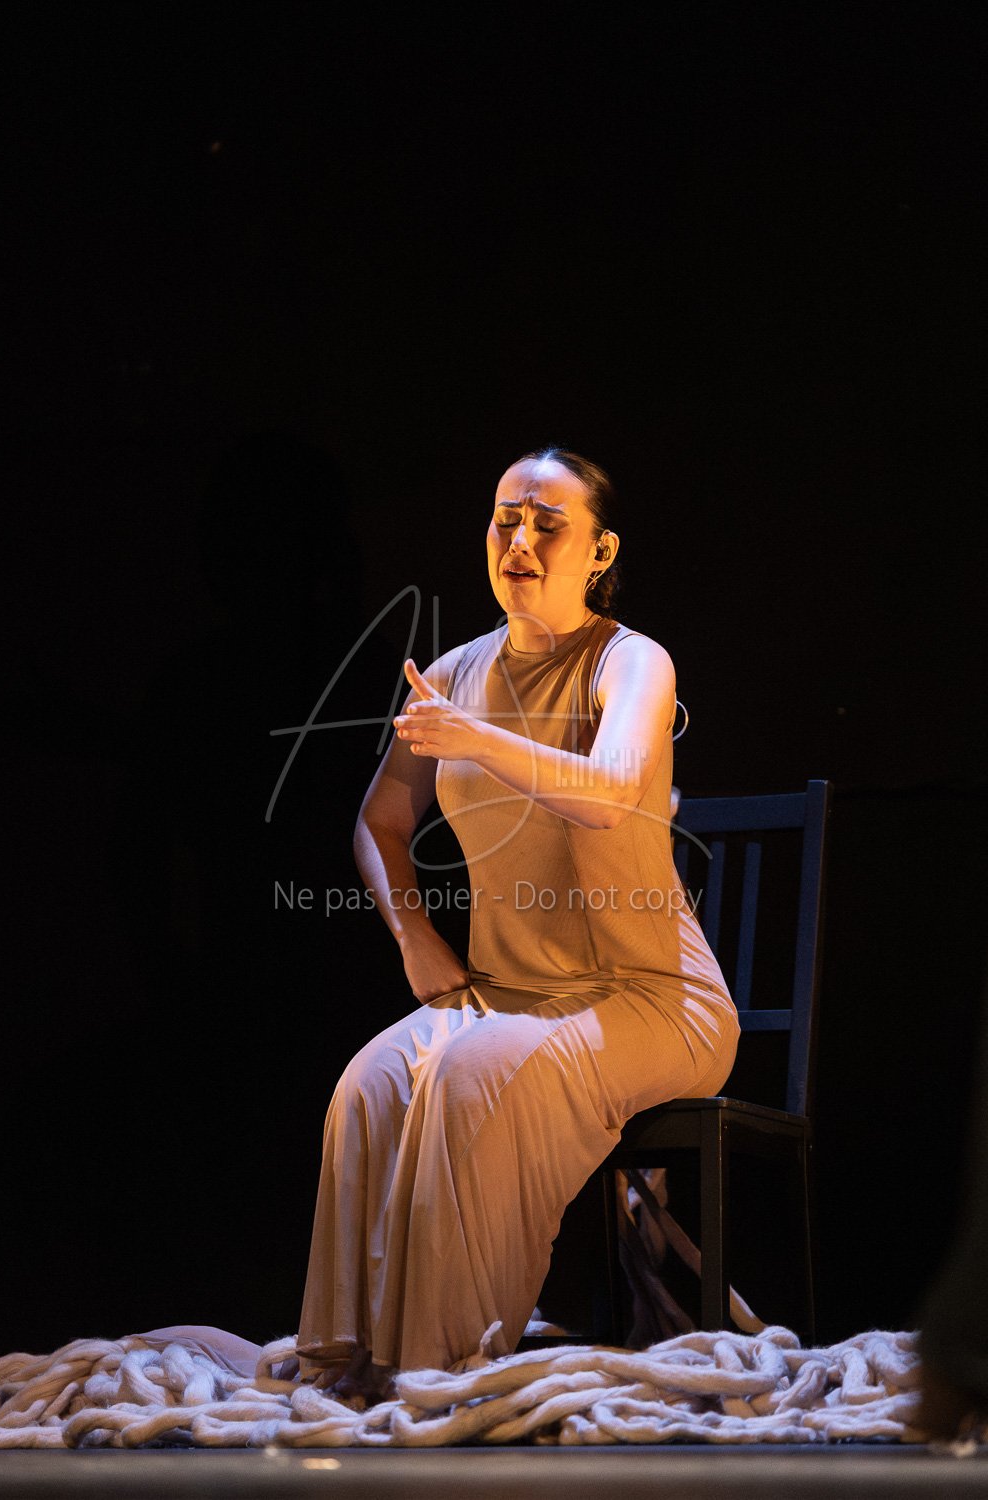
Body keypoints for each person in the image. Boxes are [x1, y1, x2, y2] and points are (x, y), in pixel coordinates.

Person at [294, 447, 741, 1403]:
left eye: (547, 524)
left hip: (651, 998)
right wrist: (414, 936)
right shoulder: (453, 673)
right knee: (368, 1087)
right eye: (506, 520)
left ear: (599, 551)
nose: (520, 542)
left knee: (466, 1082)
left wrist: (477, 739)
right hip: (503, 995)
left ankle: (446, 1370)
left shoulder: (631, 661)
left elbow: (610, 795)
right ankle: (353, 1372)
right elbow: (379, 822)